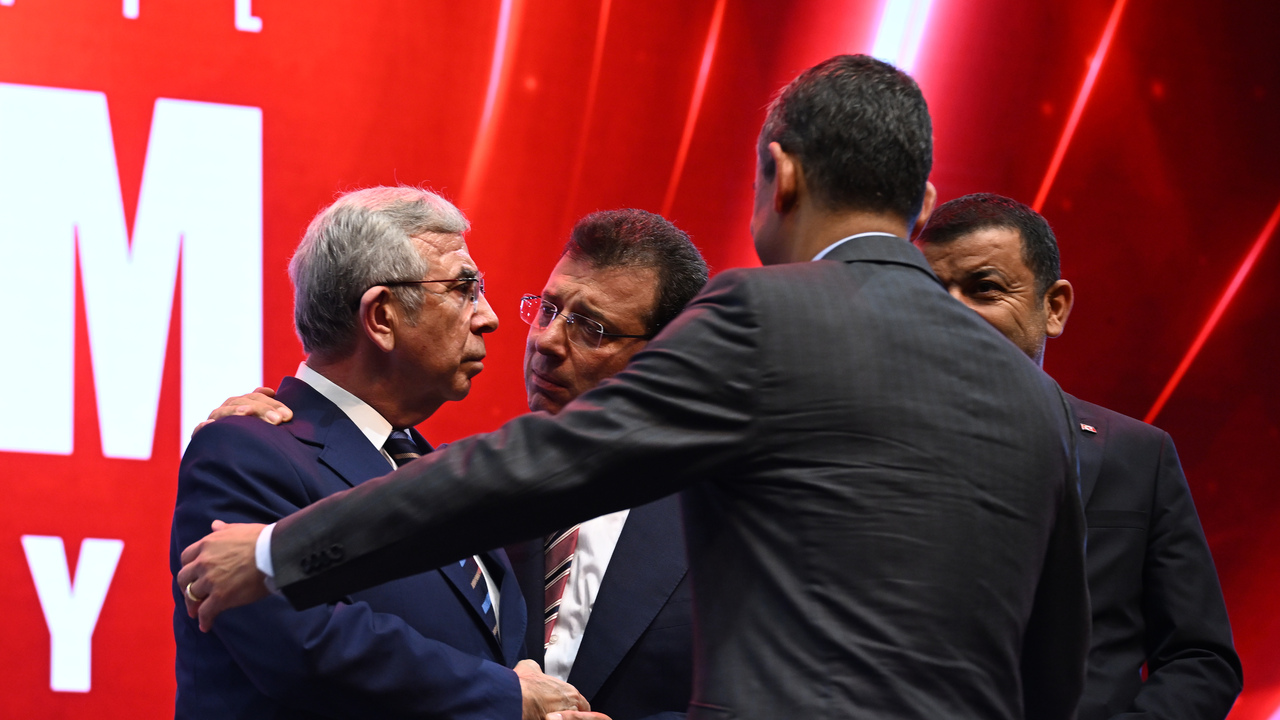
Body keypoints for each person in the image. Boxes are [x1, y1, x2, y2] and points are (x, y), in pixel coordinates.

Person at [179, 54, 1091, 720]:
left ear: (780, 175)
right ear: (921, 206)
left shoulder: (767, 315)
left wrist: (278, 553)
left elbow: (541, 466)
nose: (522, 333)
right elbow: (1058, 664)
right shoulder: (1033, 395)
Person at [209, 208, 707, 720]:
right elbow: (309, 646)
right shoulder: (456, 482)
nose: (546, 340)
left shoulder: (724, 513)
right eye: (549, 309)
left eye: (592, 329)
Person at [169, 186, 595, 720]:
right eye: (464, 289)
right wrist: (508, 696)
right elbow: (305, 646)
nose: (488, 317)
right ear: (382, 317)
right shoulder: (242, 450)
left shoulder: (439, 469)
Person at [915, 192, 1243, 720]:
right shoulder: (869, 448)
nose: (952, 311)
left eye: (984, 288)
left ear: (1054, 307)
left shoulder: (1139, 456)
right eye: (930, 292)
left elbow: (1201, 659)